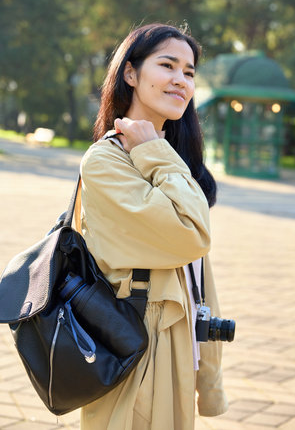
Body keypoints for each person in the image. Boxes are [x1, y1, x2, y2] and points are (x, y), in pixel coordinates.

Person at [78, 23, 228, 430]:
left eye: (190, 72)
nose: (181, 80)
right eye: (168, 65)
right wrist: (154, 152)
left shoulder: (169, 159)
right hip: (135, 347)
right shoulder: (106, 161)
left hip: (177, 348)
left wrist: (209, 378)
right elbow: (192, 236)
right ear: (131, 74)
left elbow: (200, 278)